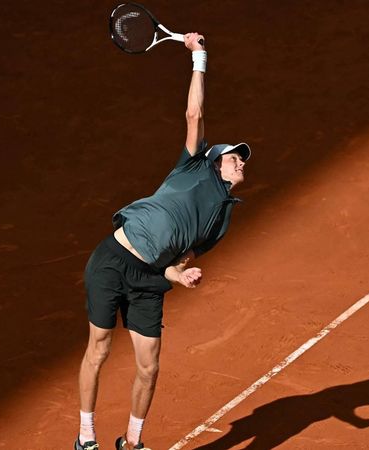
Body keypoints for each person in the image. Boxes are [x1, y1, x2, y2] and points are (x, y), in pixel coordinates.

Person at [75, 32, 252, 450]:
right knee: (98, 350)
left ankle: (132, 444)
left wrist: (179, 275)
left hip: (149, 279)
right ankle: (85, 439)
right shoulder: (194, 165)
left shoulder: (221, 219)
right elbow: (194, 113)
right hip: (114, 258)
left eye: (243, 158)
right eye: (233, 155)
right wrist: (200, 57)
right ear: (214, 159)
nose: (240, 160)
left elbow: (176, 260)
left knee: (149, 367)